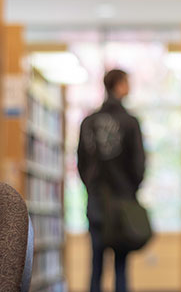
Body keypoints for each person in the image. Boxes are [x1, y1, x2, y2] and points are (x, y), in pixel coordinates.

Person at [77, 69, 146, 292]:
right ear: (119, 85)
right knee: (121, 267)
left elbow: (80, 162)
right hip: (122, 203)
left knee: (95, 265)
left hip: (96, 201)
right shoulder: (130, 122)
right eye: (127, 83)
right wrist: (131, 189)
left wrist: (92, 187)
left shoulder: (88, 122)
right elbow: (138, 164)